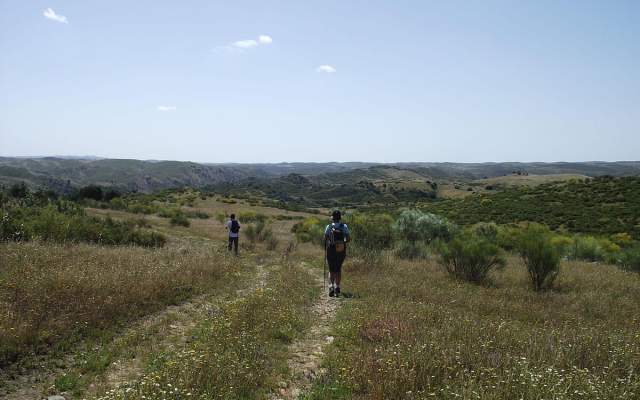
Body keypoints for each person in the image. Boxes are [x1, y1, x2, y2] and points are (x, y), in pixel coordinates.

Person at [324, 210, 350, 297]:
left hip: (331, 249)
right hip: (341, 249)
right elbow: (348, 238)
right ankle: (337, 287)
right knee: (338, 268)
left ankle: (331, 286)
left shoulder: (329, 226)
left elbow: (325, 238)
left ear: (332, 218)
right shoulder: (344, 226)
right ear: (340, 218)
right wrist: (342, 243)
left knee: (331, 269)